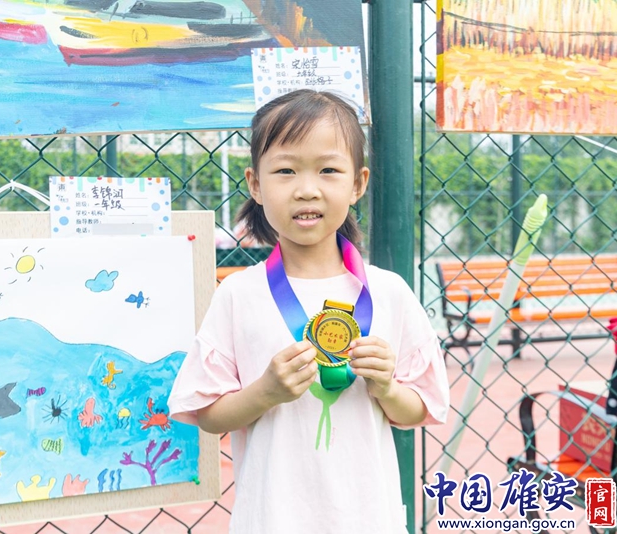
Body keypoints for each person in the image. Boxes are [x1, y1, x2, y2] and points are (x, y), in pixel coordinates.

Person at [168, 89, 450, 533]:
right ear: (255, 184)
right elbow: (207, 414)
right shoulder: (238, 294)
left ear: (357, 183)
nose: (306, 189)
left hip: (369, 520)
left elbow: (420, 409)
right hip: (272, 521)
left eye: (328, 170)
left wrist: (387, 387)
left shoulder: (390, 293)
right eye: (285, 170)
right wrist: (265, 392)